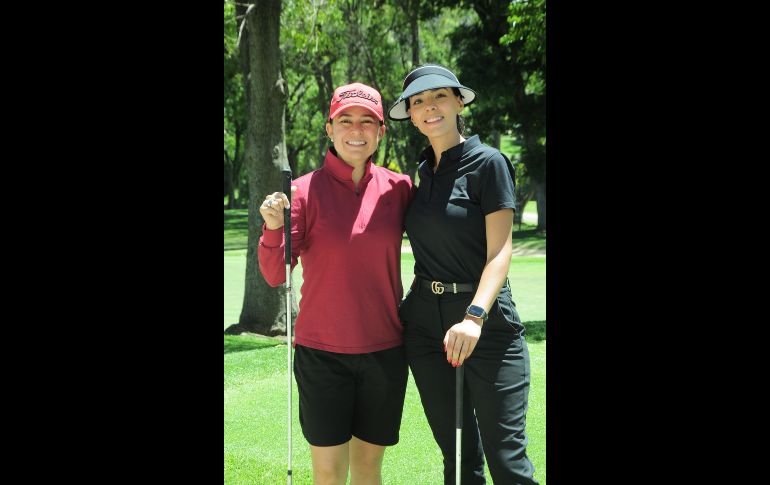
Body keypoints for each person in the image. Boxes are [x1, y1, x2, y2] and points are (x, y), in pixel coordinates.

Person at [388, 64, 539, 484]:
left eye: (438, 96)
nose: (428, 107)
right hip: (425, 328)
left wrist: (474, 316)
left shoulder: (489, 163)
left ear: (458, 101)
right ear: (412, 115)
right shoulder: (422, 173)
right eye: (417, 102)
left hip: (485, 325)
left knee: (507, 461)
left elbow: (500, 251)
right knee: (458, 458)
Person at [258, 82, 414, 485]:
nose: (356, 130)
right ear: (329, 128)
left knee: (368, 470)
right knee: (328, 474)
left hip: (385, 351)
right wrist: (273, 228)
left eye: (367, 121)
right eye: (345, 121)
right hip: (321, 354)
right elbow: (277, 273)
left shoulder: (399, 189)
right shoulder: (302, 192)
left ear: (381, 131)